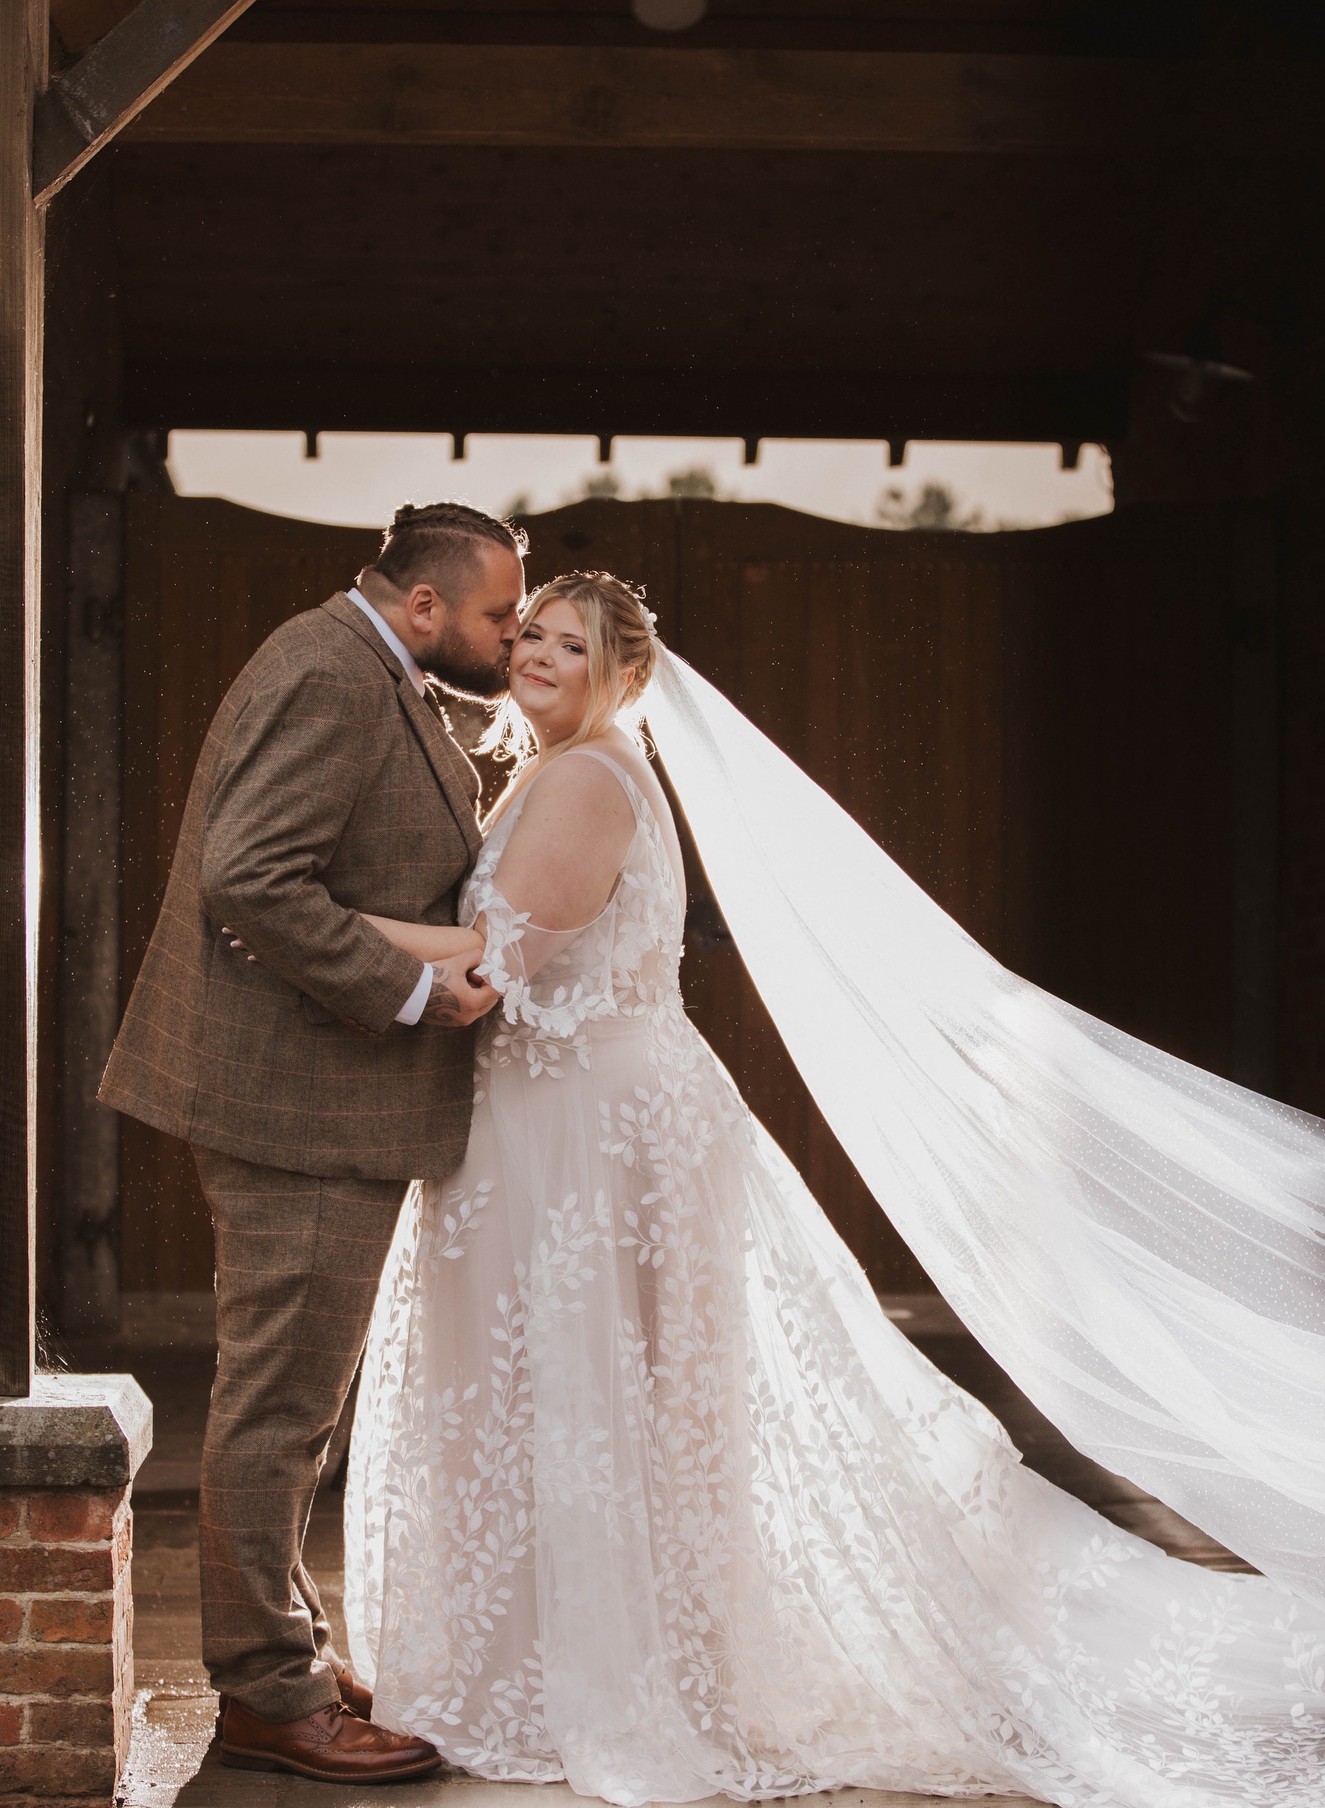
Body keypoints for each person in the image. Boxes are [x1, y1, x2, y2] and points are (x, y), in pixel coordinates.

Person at [328, 571, 1322, 1808]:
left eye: (567, 644)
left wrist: (312, 920)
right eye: (529, 632)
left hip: (588, 1135)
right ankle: (531, 1664)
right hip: (560, 1119)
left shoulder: (588, 777)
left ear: (622, 673)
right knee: (587, 1402)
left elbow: (499, 962)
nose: (534, 653)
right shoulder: (562, 766)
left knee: (595, 1400)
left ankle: (599, 1680)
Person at [98, 501, 525, 1785]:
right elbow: (252, 877)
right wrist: (412, 991)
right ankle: (270, 1697)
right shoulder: (330, 674)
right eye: (501, 615)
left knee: (292, 1401)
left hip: (313, 1101)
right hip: (297, 1105)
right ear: (424, 608)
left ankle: (281, 1648)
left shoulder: (362, 667)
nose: (511, 637)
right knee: (278, 1404)